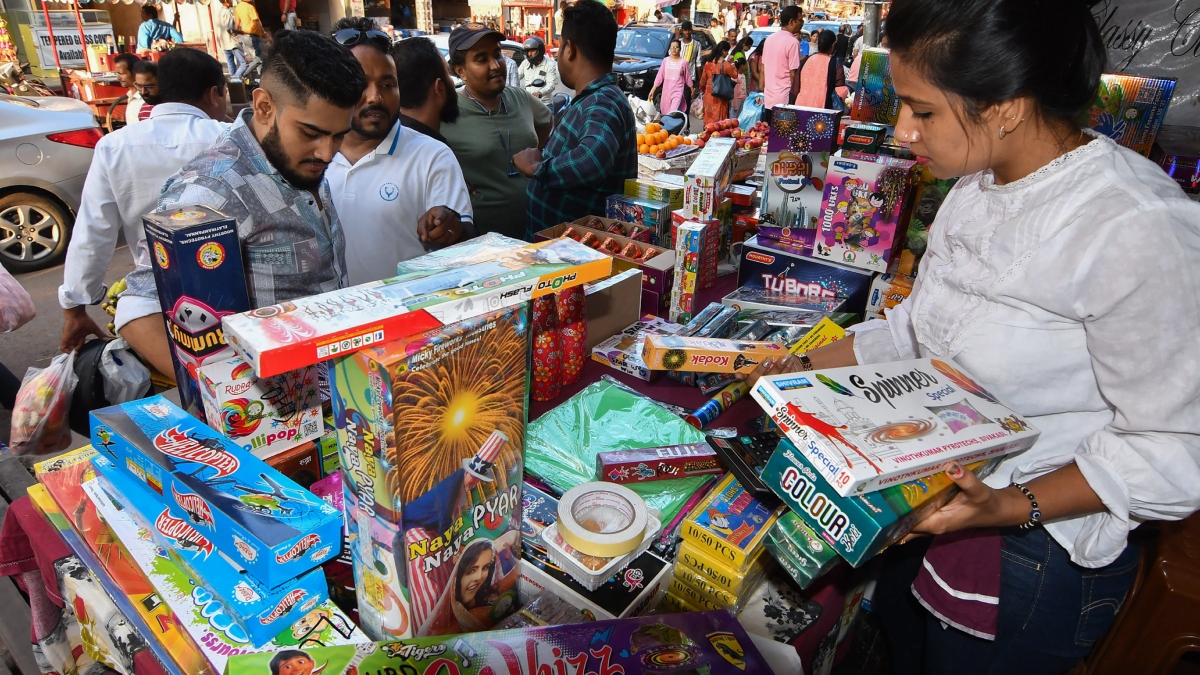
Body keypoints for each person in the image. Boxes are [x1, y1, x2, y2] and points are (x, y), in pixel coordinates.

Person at [747, 0, 1200, 672]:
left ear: (1007, 105)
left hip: (1033, 553)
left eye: (922, 111)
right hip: (930, 506)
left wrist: (1007, 505)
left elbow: (1173, 448)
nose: (903, 132)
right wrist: (795, 367)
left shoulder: (1135, 229)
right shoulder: (976, 185)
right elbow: (915, 334)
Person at [119, 29, 366, 360]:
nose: (326, 152)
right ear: (264, 106)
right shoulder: (211, 191)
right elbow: (139, 309)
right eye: (311, 133)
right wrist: (226, 396)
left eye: (339, 136)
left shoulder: (298, 161)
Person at [58, 48, 228, 378]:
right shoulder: (230, 138)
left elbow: (93, 233)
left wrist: (75, 308)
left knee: (180, 391)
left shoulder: (114, 146)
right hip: (228, 297)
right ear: (214, 93)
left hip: (153, 306)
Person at [325, 19, 473, 284]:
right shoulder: (312, 158)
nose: (375, 98)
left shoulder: (432, 157)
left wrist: (452, 229)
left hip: (409, 317)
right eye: (360, 84)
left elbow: (467, 246)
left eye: (387, 84)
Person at [515, 0, 636, 237]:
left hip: (574, 257)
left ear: (569, 49)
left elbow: (592, 159)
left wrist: (538, 168)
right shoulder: (595, 98)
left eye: (560, 47)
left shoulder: (602, 101)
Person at [442, 23, 551, 240]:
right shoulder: (446, 110)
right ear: (460, 70)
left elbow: (547, 122)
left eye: (497, 54)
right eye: (482, 59)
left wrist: (540, 151)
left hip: (536, 230)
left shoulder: (519, 97)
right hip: (485, 241)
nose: (495, 65)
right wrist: (452, 176)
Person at [393, 36, 460, 143]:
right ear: (439, 89)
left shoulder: (389, 139)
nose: (452, 81)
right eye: (448, 73)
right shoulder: (436, 153)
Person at [761, 5, 803, 108]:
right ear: (791, 21)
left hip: (769, 97)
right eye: (800, 20)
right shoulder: (793, 42)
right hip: (784, 99)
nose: (802, 24)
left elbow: (763, 68)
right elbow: (793, 74)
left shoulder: (769, 39)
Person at [794, 28, 847, 109]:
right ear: (833, 45)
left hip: (801, 107)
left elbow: (795, 87)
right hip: (822, 111)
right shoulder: (834, 63)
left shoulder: (806, 60)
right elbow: (841, 91)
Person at [647, 38, 690, 116]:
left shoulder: (684, 62)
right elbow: (660, 76)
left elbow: (688, 78)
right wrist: (653, 89)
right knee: (665, 113)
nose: (674, 49)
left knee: (673, 112)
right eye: (672, 47)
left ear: (680, 49)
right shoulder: (665, 61)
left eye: (676, 47)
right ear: (670, 48)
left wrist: (692, 89)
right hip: (666, 92)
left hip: (677, 92)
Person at [699, 40, 737, 127]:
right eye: (727, 51)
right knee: (719, 118)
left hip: (709, 93)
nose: (727, 53)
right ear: (723, 51)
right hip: (721, 94)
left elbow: (702, 80)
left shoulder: (708, 63)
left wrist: (702, 89)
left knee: (709, 116)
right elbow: (734, 75)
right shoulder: (726, 64)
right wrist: (732, 63)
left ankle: (707, 133)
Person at [518, 36, 559, 104]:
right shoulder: (525, 63)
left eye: (532, 50)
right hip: (529, 102)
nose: (530, 54)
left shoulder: (549, 65)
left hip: (544, 104)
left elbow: (551, 85)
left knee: (549, 114)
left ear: (540, 50)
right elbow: (517, 76)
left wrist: (540, 92)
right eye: (528, 51)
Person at [217, 0, 248, 79]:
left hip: (224, 43)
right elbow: (230, 29)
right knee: (244, 64)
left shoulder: (220, 12)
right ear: (226, 1)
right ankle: (234, 80)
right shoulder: (227, 12)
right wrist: (241, 32)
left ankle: (233, 86)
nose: (231, 2)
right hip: (232, 42)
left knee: (231, 66)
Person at [125, 60, 159, 124]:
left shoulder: (173, 107)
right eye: (139, 86)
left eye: (149, 86)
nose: (143, 92)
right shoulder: (144, 108)